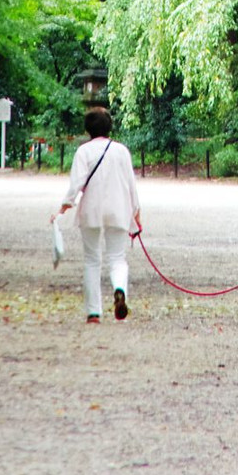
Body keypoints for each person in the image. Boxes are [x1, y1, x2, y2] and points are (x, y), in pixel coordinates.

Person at [52, 108, 141, 323]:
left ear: (88, 129)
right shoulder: (121, 151)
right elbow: (131, 185)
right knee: (117, 258)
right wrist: (136, 213)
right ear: (109, 127)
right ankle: (119, 289)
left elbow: (76, 184)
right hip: (118, 208)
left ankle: (94, 312)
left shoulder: (84, 152)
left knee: (92, 260)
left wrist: (64, 207)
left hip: (91, 209)